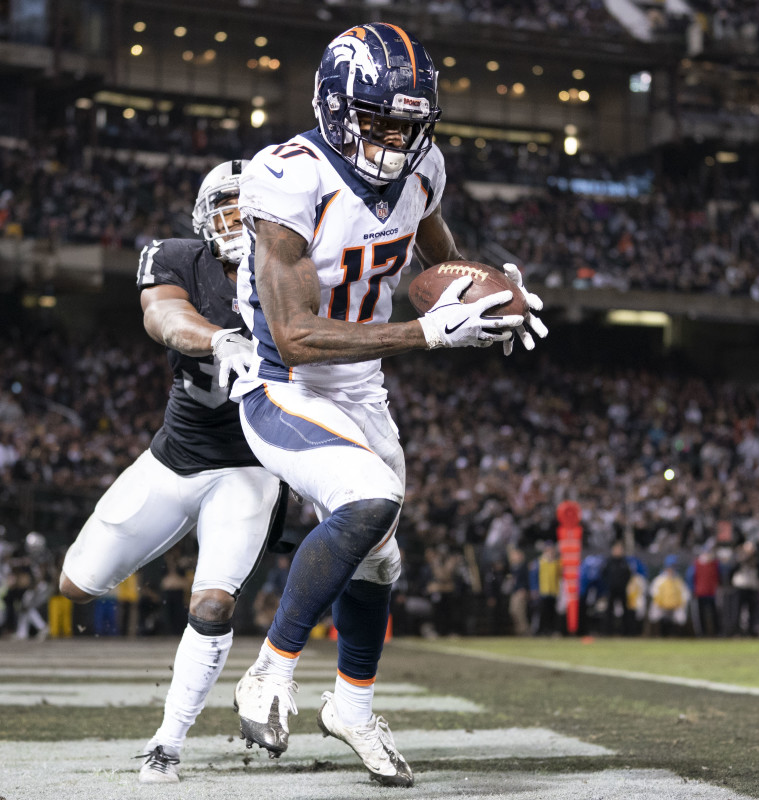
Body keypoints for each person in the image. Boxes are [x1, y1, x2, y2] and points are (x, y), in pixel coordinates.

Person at [227, 22, 546, 788]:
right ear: (336, 109)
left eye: (410, 123)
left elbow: (437, 254)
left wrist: (488, 297)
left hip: (361, 384)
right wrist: (429, 333)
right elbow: (297, 336)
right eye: (378, 121)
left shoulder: (422, 168)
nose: (395, 139)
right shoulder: (287, 177)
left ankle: (354, 707)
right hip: (282, 381)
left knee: (380, 558)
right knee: (371, 499)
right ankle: (269, 670)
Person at [57, 160, 289, 785]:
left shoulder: (294, 268)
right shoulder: (179, 257)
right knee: (75, 586)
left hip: (249, 469)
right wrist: (218, 339)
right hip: (175, 458)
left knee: (213, 605)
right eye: (228, 209)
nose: (239, 223)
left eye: (251, 210)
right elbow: (162, 317)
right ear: (204, 217)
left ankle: (168, 742)